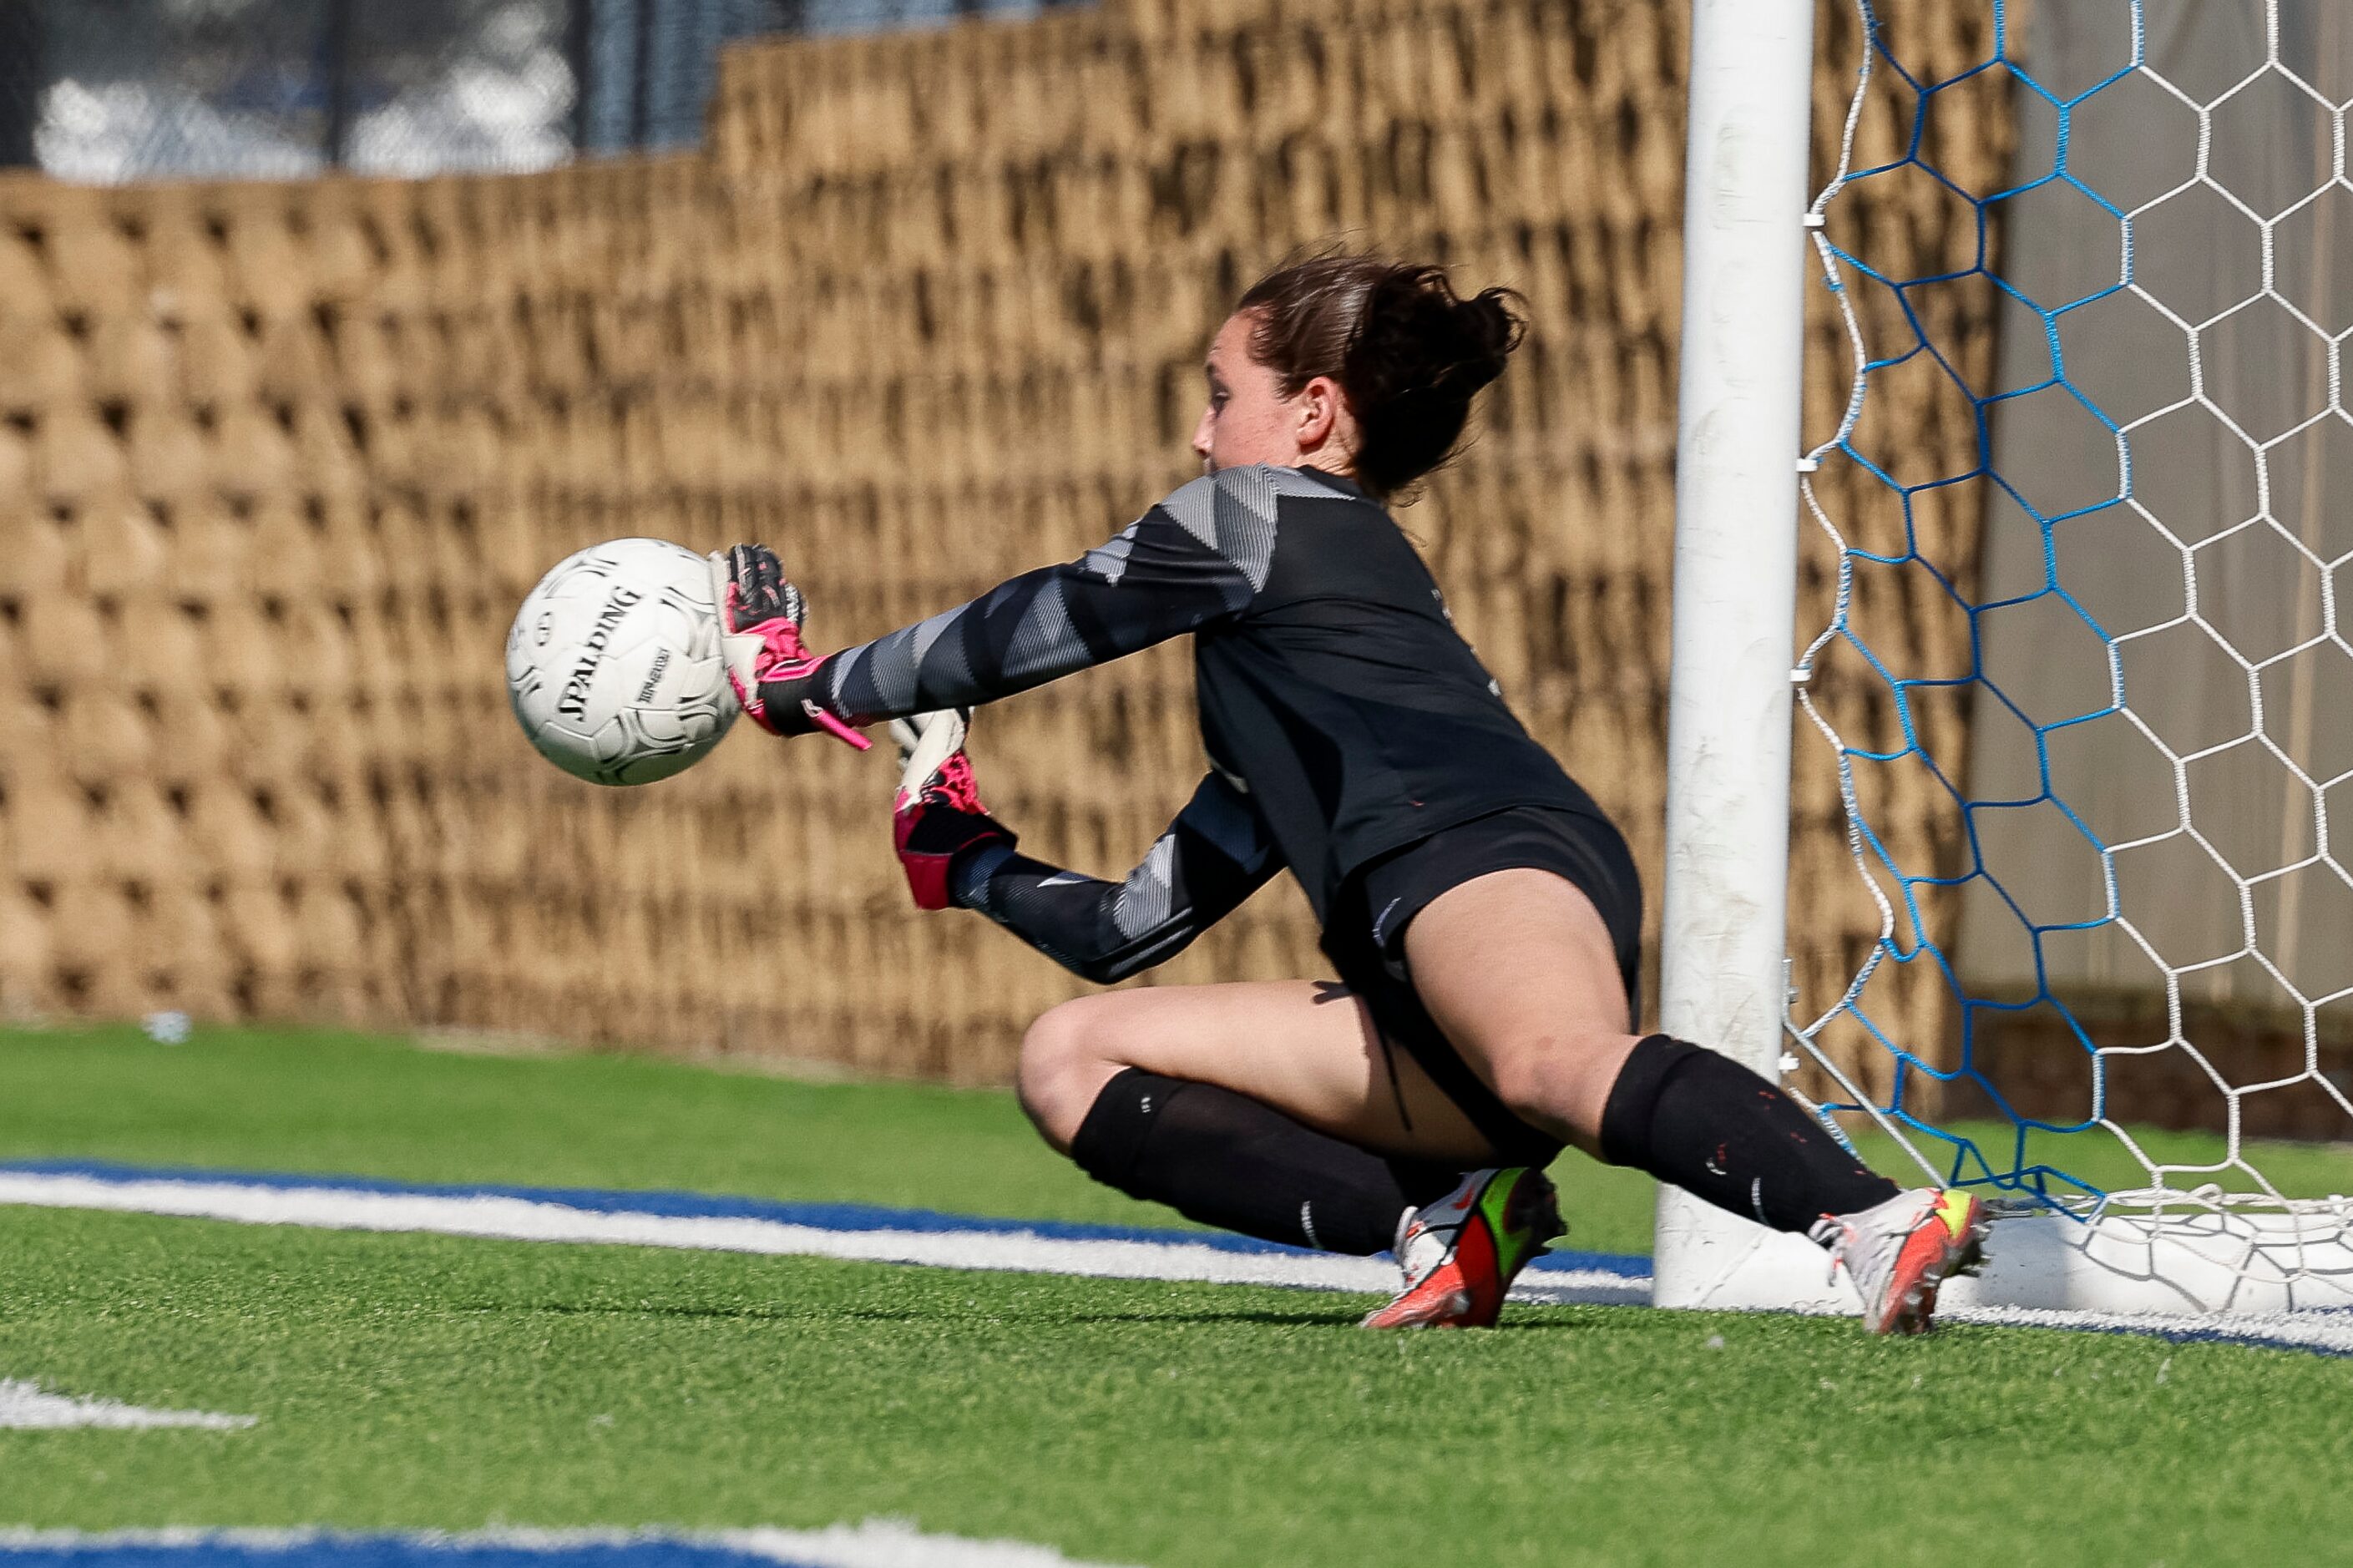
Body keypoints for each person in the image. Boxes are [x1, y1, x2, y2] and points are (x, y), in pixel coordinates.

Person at [713, 254, 1987, 1332]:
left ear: (1312, 414)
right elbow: (1130, 930)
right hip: (1415, 941)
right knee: (1067, 1057)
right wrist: (969, 859)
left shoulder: (1257, 516)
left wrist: (796, 684)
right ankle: (1442, 1218)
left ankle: (1874, 1215)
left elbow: (1040, 622)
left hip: (1480, 856)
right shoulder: (1294, 675)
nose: (1202, 434)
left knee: (1547, 1058)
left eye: (1222, 397)